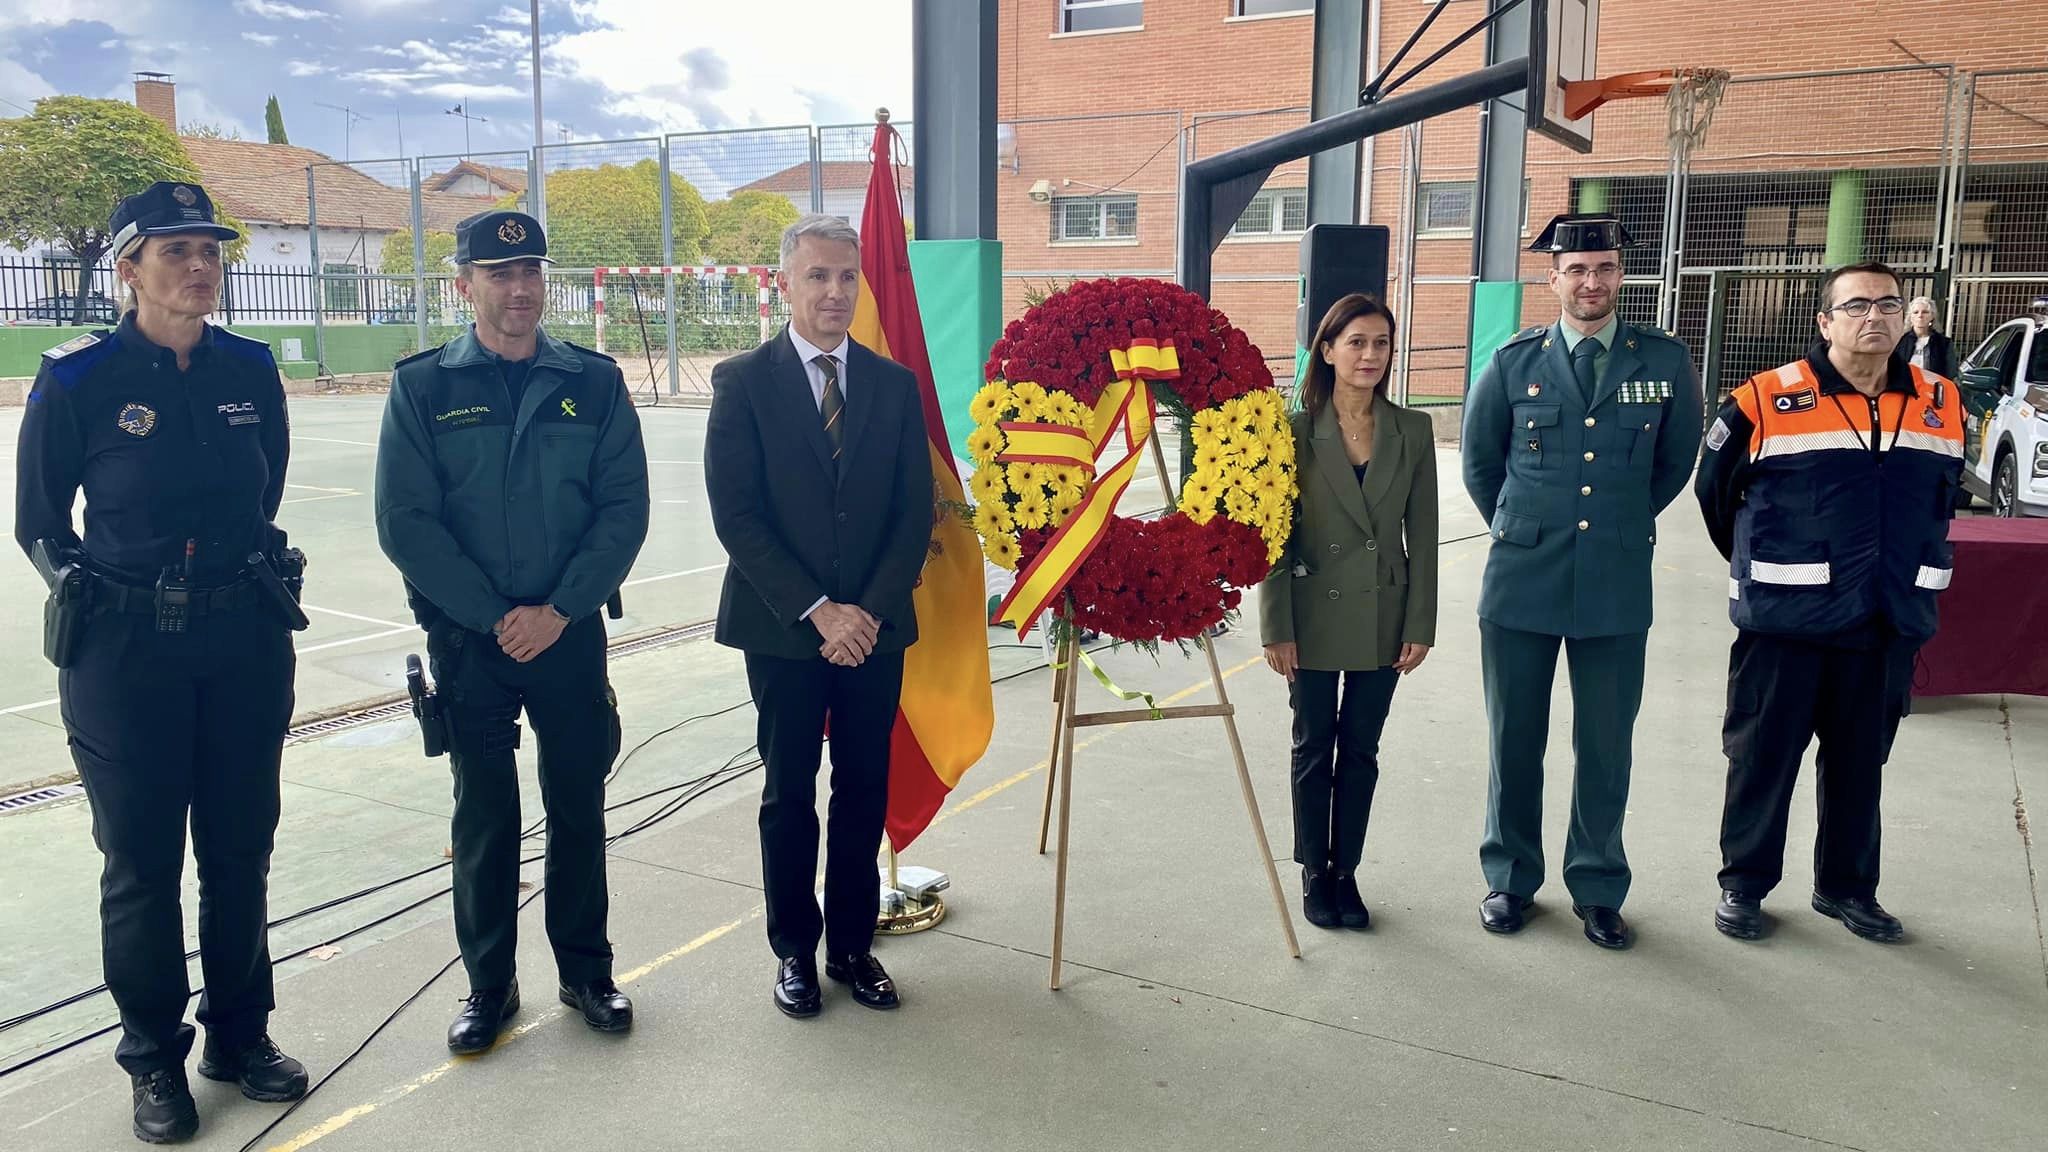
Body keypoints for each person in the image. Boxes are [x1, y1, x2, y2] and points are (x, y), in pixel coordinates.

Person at [13, 181, 309, 1144]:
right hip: (124, 652)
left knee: (240, 850)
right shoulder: (77, 377)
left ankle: (240, 1037)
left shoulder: (250, 368)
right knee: (140, 865)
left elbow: (267, 487)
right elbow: (40, 524)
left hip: (242, 641)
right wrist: (90, 593)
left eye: (210, 252)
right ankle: (153, 1061)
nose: (199, 268)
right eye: (175, 251)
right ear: (128, 266)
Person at [374, 210, 650, 1053]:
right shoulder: (423, 387)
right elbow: (406, 522)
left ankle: (586, 972)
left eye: (531, 270)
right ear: (464, 284)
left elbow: (624, 508)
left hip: (568, 635)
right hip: (471, 644)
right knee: (485, 818)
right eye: (499, 274)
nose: (519, 287)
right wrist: (496, 618)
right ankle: (489, 987)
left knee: (579, 808)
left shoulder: (594, 382)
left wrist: (560, 610)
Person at [703, 214, 933, 1018]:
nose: (835, 292)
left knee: (863, 790)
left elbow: (914, 515)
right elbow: (737, 517)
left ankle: (853, 949)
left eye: (847, 277)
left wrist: (863, 612)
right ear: (786, 282)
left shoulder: (892, 385)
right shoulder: (742, 383)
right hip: (783, 629)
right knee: (789, 793)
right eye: (817, 277)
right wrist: (818, 612)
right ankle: (795, 952)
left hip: (875, 629)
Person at [1696, 261, 1962, 944]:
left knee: (1858, 764)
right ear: (1825, 321)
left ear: (1906, 317)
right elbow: (1715, 493)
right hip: (1786, 623)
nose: (1874, 317)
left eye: (1889, 304)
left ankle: (1847, 889)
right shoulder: (1767, 396)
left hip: (1884, 620)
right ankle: (1745, 886)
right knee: (1763, 758)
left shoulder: (1941, 400)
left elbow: (1943, 493)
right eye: (1856, 306)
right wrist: (1769, 564)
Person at [1461, 214, 1704, 951]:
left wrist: (1618, 523)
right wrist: (1532, 521)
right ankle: (1510, 878)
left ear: (1620, 275)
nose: (1590, 282)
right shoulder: (1511, 362)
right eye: (1576, 270)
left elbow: (1675, 461)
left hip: (1615, 584)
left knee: (1605, 745)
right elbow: (1481, 466)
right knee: (1515, 740)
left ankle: (1597, 886)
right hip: (1522, 579)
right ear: (1553, 278)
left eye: (1603, 269)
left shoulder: (1662, 360)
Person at [1260, 294, 1438, 931]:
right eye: (1356, 342)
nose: (1370, 355)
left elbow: (1425, 533)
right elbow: (1273, 532)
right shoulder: (1290, 430)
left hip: (1383, 616)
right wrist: (1275, 625)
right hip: (1310, 616)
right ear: (1327, 350)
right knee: (1313, 747)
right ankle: (1313, 869)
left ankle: (1346, 872)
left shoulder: (1412, 429)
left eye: (1381, 343)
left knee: (1361, 750)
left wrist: (1421, 623)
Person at [1893, 296, 1955, 379]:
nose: (1920, 315)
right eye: (1916, 312)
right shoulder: (1899, 341)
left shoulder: (1944, 343)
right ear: (1910, 317)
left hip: (1933, 388)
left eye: (1925, 312)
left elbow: (1951, 374)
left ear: (1932, 316)